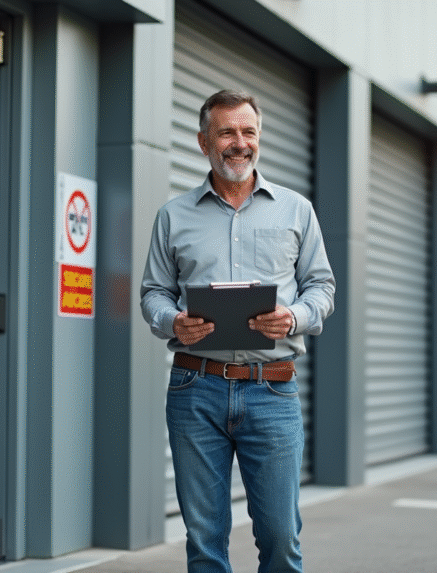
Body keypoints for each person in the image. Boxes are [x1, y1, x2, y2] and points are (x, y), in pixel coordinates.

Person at [140, 89, 335, 573]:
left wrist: (293, 317)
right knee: (204, 540)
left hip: (272, 388)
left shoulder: (296, 210)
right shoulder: (174, 216)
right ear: (204, 140)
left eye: (248, 131)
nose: (239, 142)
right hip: (194, 388)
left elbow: (322, 287)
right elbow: (152, 293)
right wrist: (173, 322)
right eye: (227, 131)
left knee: (280, 535)